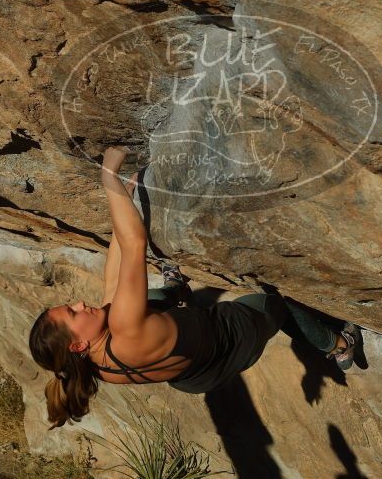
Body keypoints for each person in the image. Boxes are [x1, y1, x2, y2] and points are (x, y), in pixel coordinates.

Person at [28, 147, 361, 428]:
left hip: (193, 376)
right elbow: (134, 244)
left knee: (144, 300)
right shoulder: (123, 327)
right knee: (276, 306)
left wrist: (127, 204)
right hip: (229, 340)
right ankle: (339, 346)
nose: (80, 304)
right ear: (79, 344)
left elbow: (116, 268)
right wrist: (108, 178)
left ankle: (176, 286)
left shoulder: (95, 365)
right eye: (73, 313)